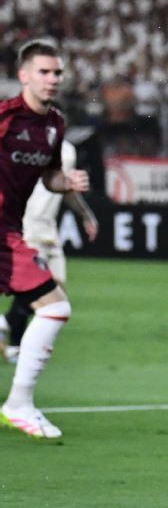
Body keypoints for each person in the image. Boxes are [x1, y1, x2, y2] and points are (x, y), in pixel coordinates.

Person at [0, 40, 89, 439]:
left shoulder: (55, 124)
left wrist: (65, 182)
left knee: (54, 307)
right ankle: (18, 405)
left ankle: (18, 403)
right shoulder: (5, 117)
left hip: (10, 229)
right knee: (55, 307)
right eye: (44, 72)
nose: (52, 79)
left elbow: (49, 176)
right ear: (23, 75)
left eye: (57, 73)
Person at [0, 135, 98, 363]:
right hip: (29, 226)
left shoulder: (67, 151)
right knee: (38, 289)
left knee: (58, 294)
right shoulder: (23, 143)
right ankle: (16, 346)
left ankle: (6, 324)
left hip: (49, 229)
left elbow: (67, 189)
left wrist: (85, 215)